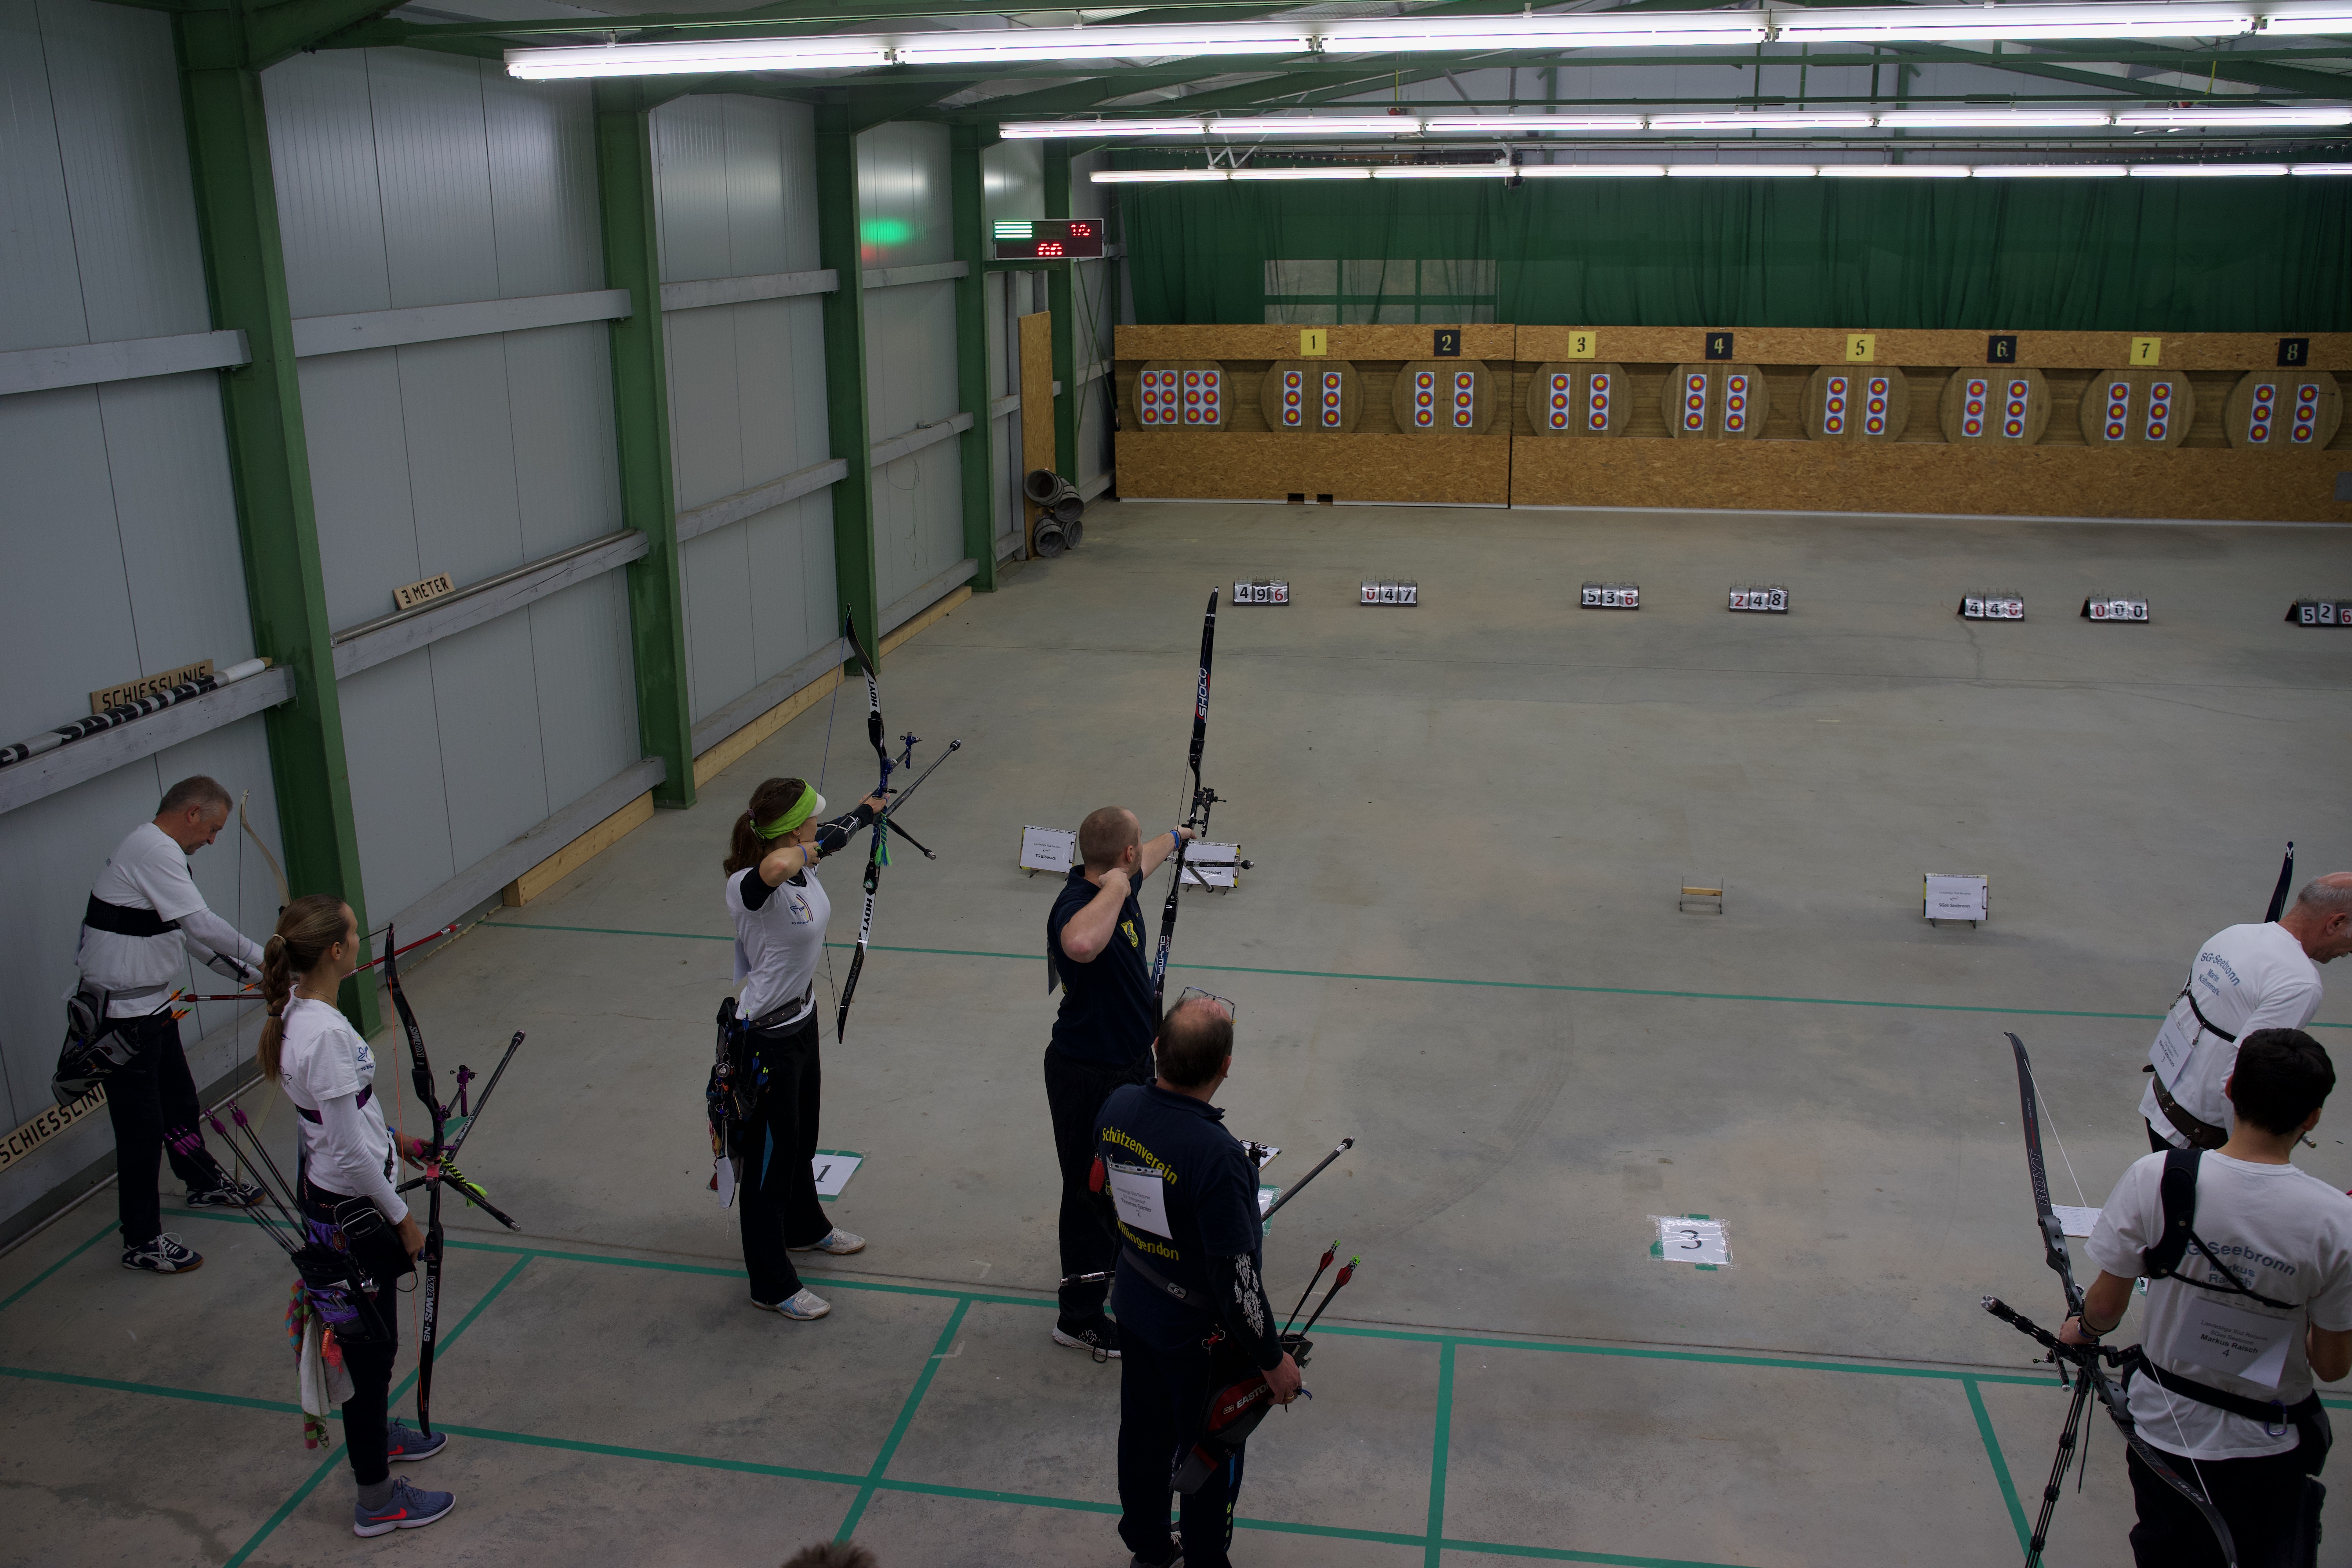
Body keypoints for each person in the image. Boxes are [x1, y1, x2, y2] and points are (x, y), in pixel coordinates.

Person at [2065, 1029, 2352, 1568]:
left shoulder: (2157, 1176)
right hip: (2269, 1442)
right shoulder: (2336, 1220)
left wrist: (2082, 1329)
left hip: (2166, 1429)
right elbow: (2332, 1365)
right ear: (2312, 1118)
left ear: (2229, 1089)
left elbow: (2104, 1309)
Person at [263, 894, 455, 1537]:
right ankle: (377, 1501)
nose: (360, 938)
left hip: (338, 1207)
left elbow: (337, 1122)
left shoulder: (301, 1011)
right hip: (355, 1217)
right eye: (353, 930)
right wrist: (404, 1220)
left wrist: (397, 1141)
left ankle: (379, 1434)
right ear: (336, 950)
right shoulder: (323, 1033)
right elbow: (346, 1150)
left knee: (372, 1346)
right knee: (368, 1357)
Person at [1097, 994, 1301, 1568]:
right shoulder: (1218, 1156)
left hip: (1136, 1303)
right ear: (1226, 1068)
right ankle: (1207, 1559)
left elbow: (1099, 1190)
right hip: (1200, 1340)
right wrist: (1272, 1360)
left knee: (1144, 1432)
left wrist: (1144, 1249)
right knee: (1211, 1449)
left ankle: (1149, 1548)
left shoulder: (1117, 1105)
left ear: (1157, 1048)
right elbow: (1237, 1281)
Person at [76, 775, 267, 1273]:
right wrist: (270, 959)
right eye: (213, 828)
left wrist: (258, 977)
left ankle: (201, 1181)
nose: (213, 840)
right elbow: (203, 924)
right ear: (192, 813)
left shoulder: (161, 855)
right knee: (141, 1131)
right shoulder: (153, 850)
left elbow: (191, 938)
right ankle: (141, 1241)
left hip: (152, 1009)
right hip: (122, 1020)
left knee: (180, 1104)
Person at [722, 775, 889, 1321]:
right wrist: (817, 845)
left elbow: (826, 837)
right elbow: (776, 866)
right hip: (764, 1040)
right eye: (811, 819)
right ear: (794, 832)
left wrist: (865, 812)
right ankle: (770, 1283)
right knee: (769, 1163)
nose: (820, 821)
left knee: (801, 1140)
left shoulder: (801, 861)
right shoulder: (751, 883)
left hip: (800, 1020)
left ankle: (804, 1226)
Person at [1045, 806, 1195, 1356]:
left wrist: (1177, 836)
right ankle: (1079, 1318)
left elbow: (1147, 856)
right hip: (1087, 1073)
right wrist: (1116, 885)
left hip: (1128, 1066)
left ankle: (1116, 1266)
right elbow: (1081, 945)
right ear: (1120, 859)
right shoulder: (1078, 904)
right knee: (1087, 1193)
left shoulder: (1119, 878)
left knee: (1122, 1180)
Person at [2140, 875, 2352, 1152]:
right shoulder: (2300, 983)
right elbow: (2242, 1074)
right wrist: (2242, 1158)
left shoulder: (2234, 934)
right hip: (2198, 1141)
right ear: (2336, 923)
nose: (2350, 952)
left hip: (2160, 1103)